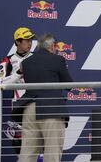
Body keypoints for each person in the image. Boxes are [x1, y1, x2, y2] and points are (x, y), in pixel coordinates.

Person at [15, 33, 73, 162]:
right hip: (51, 109)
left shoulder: (26, 62)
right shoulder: (58, 60)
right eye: (56, 47)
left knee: (27, 153)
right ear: (52, 46)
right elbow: (69, 85)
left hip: (29, 109)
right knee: (52, 154)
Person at [0, 27, 35, 155]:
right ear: (18, 42)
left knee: (39, 141)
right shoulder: (7, 60)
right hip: (18, 105)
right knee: (20, 145)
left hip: (37, 104)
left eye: (31, 40)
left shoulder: (37, 58)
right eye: (26, 40)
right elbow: (2, 83)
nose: (30, 43)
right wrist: (19, 72)